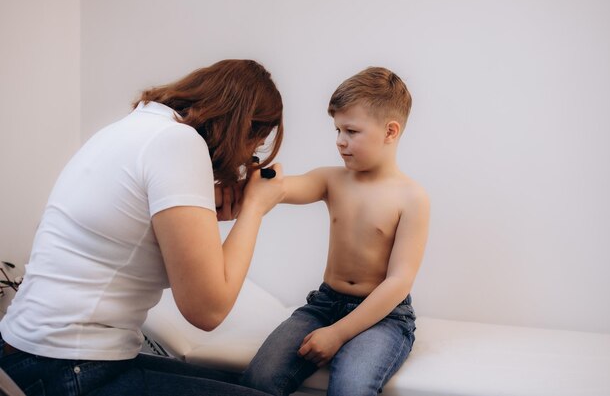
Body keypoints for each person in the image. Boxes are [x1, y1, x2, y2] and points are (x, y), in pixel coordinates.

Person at [0, 59, 285, 395]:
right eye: (256, 142)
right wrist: (255, 207)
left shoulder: (136, 128)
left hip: (30, 354)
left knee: (246, 385)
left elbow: (125, 238)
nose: (250, 154)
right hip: (65, 364)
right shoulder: (179, 143)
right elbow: (208, 310)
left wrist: (202, 213)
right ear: (243, 127)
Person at [240, 67, 430, 396]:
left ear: (390, 131)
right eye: (338, 129)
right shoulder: (332, 180)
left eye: (352, 131)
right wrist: (251, 179)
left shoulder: (412, 198)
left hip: (384, 315)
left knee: (352, 387)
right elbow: (281, 189)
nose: (340, 141)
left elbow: (399, 281)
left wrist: (338, 334)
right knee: (259, 379)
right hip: (324, 304)